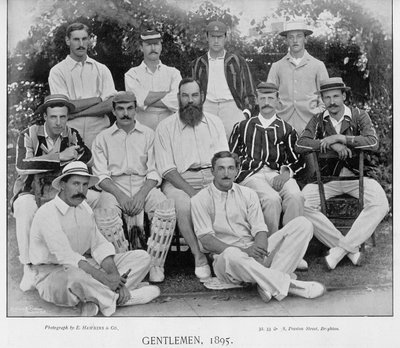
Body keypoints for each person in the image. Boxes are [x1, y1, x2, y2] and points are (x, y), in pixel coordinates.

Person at [28, 161, 160, 316]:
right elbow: (66, 256)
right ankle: (118, 298)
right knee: (74, 277)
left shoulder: (85, 208)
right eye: (75, 184)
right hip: (53, 274)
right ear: (63, 185)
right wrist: (105, 279)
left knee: (143, 257)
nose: (81, 190)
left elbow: (99, 245)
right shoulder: (47, 213)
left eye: (85, 185)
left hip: (85, 266)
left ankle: (94, 299)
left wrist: (115, 277)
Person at [191, 151, 325, 302]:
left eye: (230, 168)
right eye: (221, 168)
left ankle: (266, 284)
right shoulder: (200, 199)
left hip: (254, 252)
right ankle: (290, 285)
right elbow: (206, 240)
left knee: (303, 224)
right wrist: (244, 251)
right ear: (212, 171)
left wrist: (259, 247)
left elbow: (260, 228)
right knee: (231, 254)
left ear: (237, 171)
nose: (226, 173)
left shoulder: (248, 194)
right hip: (227, 261)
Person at [296, 77, 389, 270]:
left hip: (358, 177)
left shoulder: (359, 115)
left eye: (336, 96)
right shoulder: (318, 120)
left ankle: (339, 251)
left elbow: (372, 142)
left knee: (381, 203)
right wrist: (333, 144)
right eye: (327, 97)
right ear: (322, 99)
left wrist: (341, 138)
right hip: (328, 179)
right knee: (301, 203)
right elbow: (301, 144)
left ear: (344, 96)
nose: (332, 102)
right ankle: (350, 249)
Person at [11, 94, 94, 292]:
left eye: (63, 117)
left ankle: (76, 259)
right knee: (24, 206)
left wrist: (51, 160)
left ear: (67, 117)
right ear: (45, 117)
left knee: (91, 200)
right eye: (53, 117)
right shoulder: (28, 134)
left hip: (60, 190)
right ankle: (28, 267)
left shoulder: (71, 134)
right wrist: (60, 157)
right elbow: (22, 166)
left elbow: (86, 158)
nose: (58, 122)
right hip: (30, 190)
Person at [91, 91, 175, 283]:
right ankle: (127, 265)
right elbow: (101, 176)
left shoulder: (149, 135)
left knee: (165, 210)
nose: (125, 113)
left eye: (129, 108)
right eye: (120, 109)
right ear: (113, 110)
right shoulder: (102, 138)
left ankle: (155, 265)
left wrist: (140, 195)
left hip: (144, 184)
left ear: (135, 109)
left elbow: (155, 171)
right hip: (114, 186)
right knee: (104, 213)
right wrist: (121, 197)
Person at [154, 78, 228, 281]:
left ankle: (223, 253)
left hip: (212, 176)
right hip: (179, 180)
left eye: (194, 95)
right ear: (178, 98)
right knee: (184, 204)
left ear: (202, 97)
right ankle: (199, 256)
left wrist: (217, 185)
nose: (190, 100)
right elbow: (167, 169)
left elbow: (224, 159)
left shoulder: (215, 122)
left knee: (230, 197)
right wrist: (193, 192)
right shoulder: (165, 127)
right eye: (185, 96)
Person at [229, 82, 304, 236]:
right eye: (262, 98)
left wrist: (285, 174)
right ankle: (268, 248)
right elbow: (232, 157)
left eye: (271, 98)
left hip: (277, 173)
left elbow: (298, 160)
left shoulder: (287, 129)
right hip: (251, 175)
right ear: (256, 101)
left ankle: (290, 243)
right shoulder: (242, 127)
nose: (267, 103)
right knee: (271, 199)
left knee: (296, 196)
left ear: (278, 102)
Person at [49, 22, 117, 148]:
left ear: (89, 40)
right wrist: (98, 99)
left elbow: (111, 104)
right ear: (68, 41)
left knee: (100, 167)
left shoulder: (101, 69)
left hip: (100, 133)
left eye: (84, 39)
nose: (81, 44)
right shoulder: (57, 71)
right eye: (76, 39)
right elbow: (65, 107)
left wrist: (77, 113)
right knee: (73, 167)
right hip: (70, 133)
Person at [191, 20, 257, 138]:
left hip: (232, 106)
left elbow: (250, 91)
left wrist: (246, 113)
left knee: (234, 146)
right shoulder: (198, 63)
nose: (216, 41)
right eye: (212, 37)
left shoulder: (237, 61)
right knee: (206, 145)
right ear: (207, 37)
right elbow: (192, 91)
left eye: (220, 37)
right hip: (207, 107)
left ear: (225, 38)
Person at [267, 20, 329, 134]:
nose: (295, 40)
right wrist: (275, 115)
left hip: (310, 125)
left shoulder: (318, 65)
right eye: (291, 37)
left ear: (305, 39)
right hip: (282, 125)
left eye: (299, 36)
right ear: (286, 40)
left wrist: (317, 113)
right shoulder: (277, 66)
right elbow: (269, 96)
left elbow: (326, 96)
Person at [125, 27, 181, 130]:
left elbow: (177, 100)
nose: (153, 48)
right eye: (149, 45)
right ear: (141, 47)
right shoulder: (132, 74)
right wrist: (166, 93)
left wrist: (146, 100)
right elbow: (136, 101)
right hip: (141, 129)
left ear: (161, 47)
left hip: (169, 129)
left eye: (156, 44)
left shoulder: (173, 73)